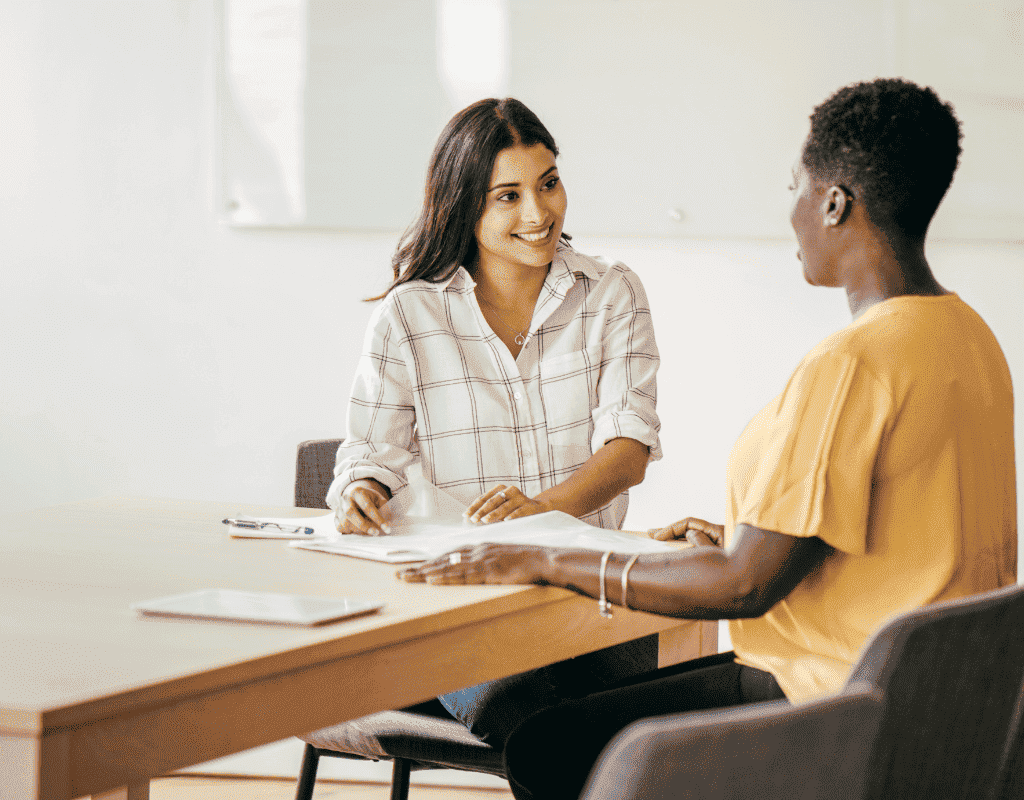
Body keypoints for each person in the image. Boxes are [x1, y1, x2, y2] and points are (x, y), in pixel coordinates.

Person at [399, 78, 1017, 800]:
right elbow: (901, 538)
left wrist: (542, 556)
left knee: (549, 746)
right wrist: (741, 536)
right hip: (942, 706)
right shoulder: (967, 337)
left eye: (797, 186)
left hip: (829, 701)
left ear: (834, 203)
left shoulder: (850, 366)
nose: (791, 210)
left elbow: (745, 585)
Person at [326, 98, 664, 743]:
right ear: (464, 206)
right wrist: (361, 492)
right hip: (459, 608)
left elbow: (628, 449)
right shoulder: (409, 315)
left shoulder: (611, 292)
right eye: (507, 196)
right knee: (535, 713)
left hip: (585, 600)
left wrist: (536, 514)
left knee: (610, 706)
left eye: (549, 183)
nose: (538, 213)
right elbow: (369, 453)